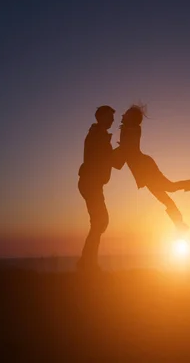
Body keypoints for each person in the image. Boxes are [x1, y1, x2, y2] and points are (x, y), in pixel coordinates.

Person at [115, 104, 190, 233]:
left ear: (132, 118)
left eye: (126, 114)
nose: (122, 115)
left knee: (171, 188)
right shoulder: (128, 130)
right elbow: (125, 151)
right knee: (166, 198)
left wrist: (113, 155)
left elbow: (126, 150)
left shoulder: (131, 129)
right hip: (143, 170)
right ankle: (180, 224)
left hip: (146, 168)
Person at [77, 105, 120, 272]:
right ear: (101, 117)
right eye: (110, 117)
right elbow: (109, 159)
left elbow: (111, 161)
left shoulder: (99, 135)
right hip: (90, 183)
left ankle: (87, 262)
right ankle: (87, 264)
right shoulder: (97, 135)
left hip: (92, 183)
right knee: (100, 222)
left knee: (99, 222)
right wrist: (122, 149)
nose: (112, 120)